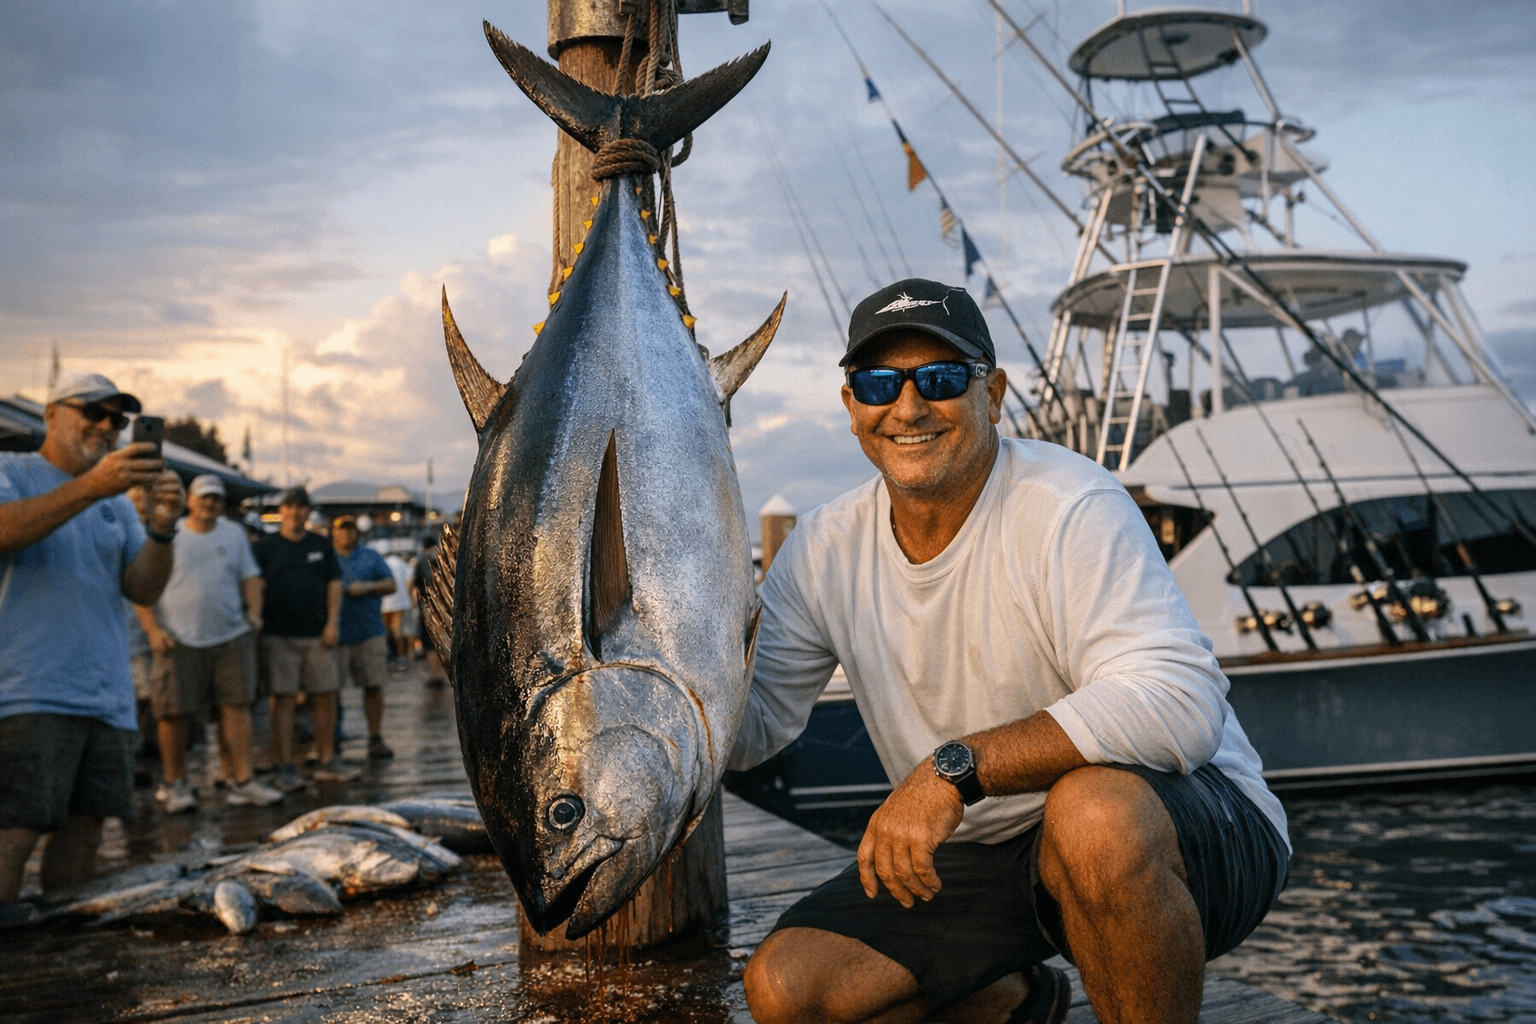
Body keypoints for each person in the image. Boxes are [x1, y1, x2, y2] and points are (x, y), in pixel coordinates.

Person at [732, 280, 1290, 1024]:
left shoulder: (1070, 502)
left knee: (1090, 816)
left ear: (991, 394)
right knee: (790, 990)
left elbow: (1181, 702)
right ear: (851, 407)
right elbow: (753, 729)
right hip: (992, 847)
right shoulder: (822, 549)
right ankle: (1017, 999)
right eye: (877, 383)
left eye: (939, 379)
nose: (907, 407)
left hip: (1190, 824)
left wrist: (951, 771)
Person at [0, 373, 186, 920]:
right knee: (17, 826)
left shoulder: (119, 503)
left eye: (119, 419)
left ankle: (60, 942)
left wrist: (162, 529)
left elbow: (142, 587)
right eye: (94, 412)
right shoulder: (12, 471)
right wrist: (91, 488)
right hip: (28, 689)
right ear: (51, 413)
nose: (108, 426)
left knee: (87, 828)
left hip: (108, 694)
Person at [135, 475, 283, 811]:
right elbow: (142, 583)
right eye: (204, 497)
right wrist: (152, 630)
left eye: (216, 498)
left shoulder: (234, 533)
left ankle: (242, 780)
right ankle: (175, 784)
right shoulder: (166, 533)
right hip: (177, 639)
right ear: (189, 500)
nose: (210, 503)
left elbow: (251, 577)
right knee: (173, 714)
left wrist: (255, 615)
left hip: (231, 636)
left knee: (237, 707)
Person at [252, 487, 357, 789]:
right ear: (281, 510)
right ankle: (284, 765)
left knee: (325, 696)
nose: (296, 512)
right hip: (277, 635)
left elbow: (334, 584)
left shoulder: (321, 545)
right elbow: (252, 584)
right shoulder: (264, 546)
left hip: (318, 635)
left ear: (309, 512)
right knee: (282, 700)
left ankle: (327, 761)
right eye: (290, 506)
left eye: (302, 507)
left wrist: (333, 623)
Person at [330, 515, 397, 760]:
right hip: (335, 634)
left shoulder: (371, 556)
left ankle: (376, 737)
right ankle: (332, 738)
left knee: (373, 686)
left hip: (369, 632)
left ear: (357, 533)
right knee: (330, 690)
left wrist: (367, 587)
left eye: (351, 529)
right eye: (341, 529)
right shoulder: (327, 556)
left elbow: (391, 584)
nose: (346, 533)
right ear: (333, 532)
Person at [412, 536, 449, 688]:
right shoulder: (445, 557)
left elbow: (416, 584)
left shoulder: (421, 560)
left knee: (430, 643)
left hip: (428, 606)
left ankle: (436, 677)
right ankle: (447, 675)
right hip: (447, 607)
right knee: (446, 641)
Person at [380, 547, 414, 671]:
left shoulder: (382, 562)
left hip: (385, 601)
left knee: (385, 630)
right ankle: (402, 656)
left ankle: (387, 656)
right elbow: (409, 580)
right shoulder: (401, 563)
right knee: (397, 629)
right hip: (400, 600)